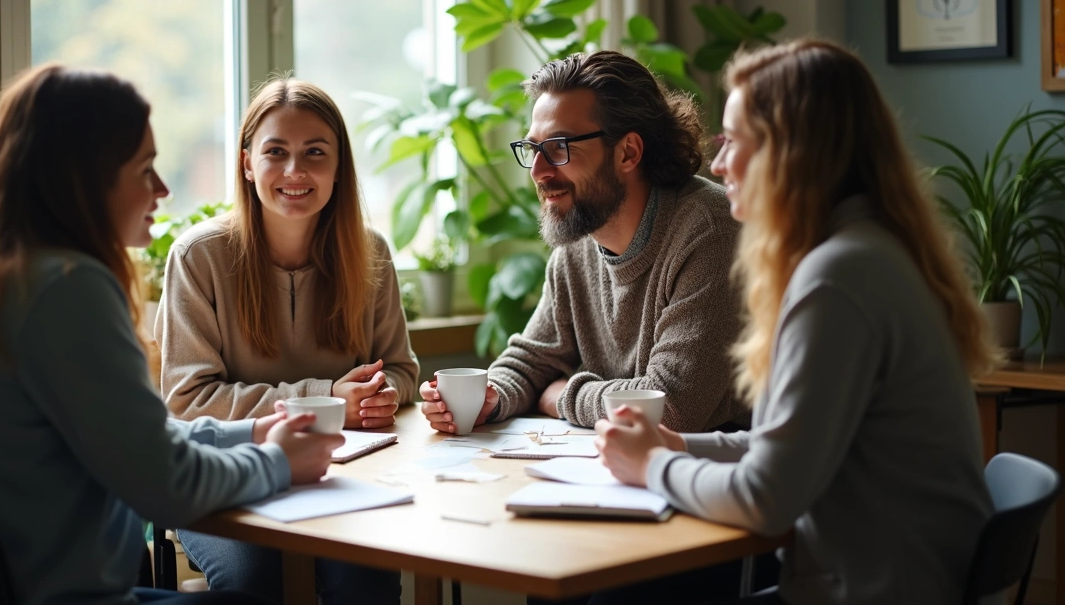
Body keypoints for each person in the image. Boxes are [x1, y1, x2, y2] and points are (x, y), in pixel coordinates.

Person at [0, 64, 343, 605]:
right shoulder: (65, 291)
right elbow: (163, 485)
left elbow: (140, 443)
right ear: (84, 178)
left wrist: (253, 434)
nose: (162, 190)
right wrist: (278, 462)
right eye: (145, 169)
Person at [596, 39, 1000, 605]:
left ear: (790, 152)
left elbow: (769, 495)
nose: (717, 164)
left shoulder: (836, 278)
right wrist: (681, 447)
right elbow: (784, 446)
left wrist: (654, 465)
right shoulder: (872, 251)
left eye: (733, 142)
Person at [157, 78, 414, 604]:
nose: (296, 172)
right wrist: (328, 401)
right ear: (248, 162)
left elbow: (404, 371)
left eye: (315, 153)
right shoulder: (197, 257)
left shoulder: (371, 253)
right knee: (256, 582)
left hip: (341, 476)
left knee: (365, 581)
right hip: (224, 480)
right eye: (277, 152)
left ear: (339, 167)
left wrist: (382, 392)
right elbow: (187, 402)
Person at [420, 50, 749, 433]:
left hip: (710, 478)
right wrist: (489, 397)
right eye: (533, 149)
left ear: (628, 152)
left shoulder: (708, 230)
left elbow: (673, 405)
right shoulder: (577, 240)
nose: (540, 172)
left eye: (559, 147)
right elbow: (531, 360)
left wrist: (561, 397)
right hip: (623, 472)